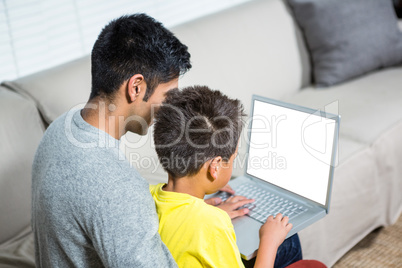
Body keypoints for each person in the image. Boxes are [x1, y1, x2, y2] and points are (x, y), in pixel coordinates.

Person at [151, 86, 302, 268]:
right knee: (289, 242)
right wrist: (269, 242)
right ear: (214, 167)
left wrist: (206, 211)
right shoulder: (213, 225)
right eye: (232, 159)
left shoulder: (150, 195)